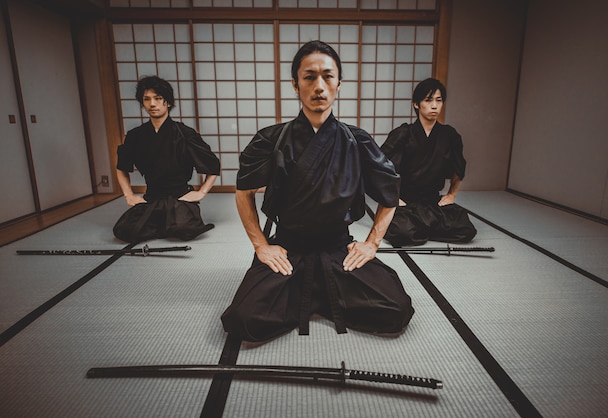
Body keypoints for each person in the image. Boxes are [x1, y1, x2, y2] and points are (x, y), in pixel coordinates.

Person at [221, 41, 414, 343]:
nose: (319, 86)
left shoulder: (357, 141)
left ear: (339, 83)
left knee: (396, 309)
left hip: (339, 250)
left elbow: (390, 194)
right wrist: (262, 247)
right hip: (288, 250)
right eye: (309, 77)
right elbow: (243, 192)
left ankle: (305, 295)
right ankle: (321, 294)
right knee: (244, 320)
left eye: (328, 76)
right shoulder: (270, 140)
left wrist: (372, 244)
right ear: (295, 85)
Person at [113, 75, 220, 243]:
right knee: (126, 231)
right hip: (152, 197)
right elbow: (121, 167)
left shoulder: (184, 133)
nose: (152, 104)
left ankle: (165, 221)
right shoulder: (135, 136)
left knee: (183, 229)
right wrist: (129, 195)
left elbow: (213, 166)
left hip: (179, 196)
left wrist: (201, 193)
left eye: (158, 98)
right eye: (146, 99)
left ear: (168, 102)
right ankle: (161, 221)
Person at [381, 78, 476, 247]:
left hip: (433, 202)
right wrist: (393, 197)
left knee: (466, 229)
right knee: (402, 233)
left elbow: (459, 167)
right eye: (428, 100)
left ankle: (423, 228)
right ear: (416, 104)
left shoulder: (449, 135)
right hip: (406, 202)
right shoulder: (403, 133)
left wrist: (451, 195)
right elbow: (381, 166)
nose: (434, 106)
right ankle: (426, 228)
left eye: (438, 101)